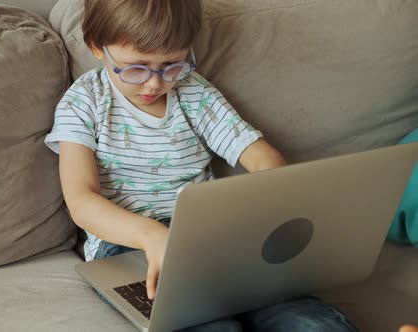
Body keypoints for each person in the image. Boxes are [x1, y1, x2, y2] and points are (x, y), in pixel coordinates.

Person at [45, 0, 357, 330]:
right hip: (127, 244)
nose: (154, 83)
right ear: (98, 47)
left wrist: (268, 212)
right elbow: (81, 200)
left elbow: (263, 157)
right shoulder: (83, 103)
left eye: (172, 65)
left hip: (206, 232)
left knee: (305, 320)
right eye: (136, 68)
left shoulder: (194, 93)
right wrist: (151, 235)